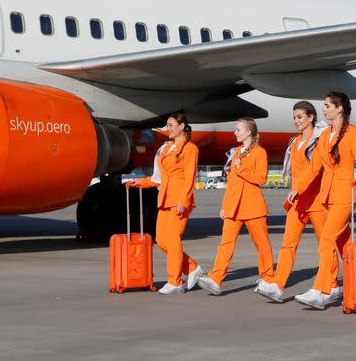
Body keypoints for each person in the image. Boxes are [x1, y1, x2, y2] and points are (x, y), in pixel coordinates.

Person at [291, 91, 356, 310]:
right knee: (344, 245)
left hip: (345, 195)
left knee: (325, 240)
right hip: (326, 196)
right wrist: (297, 188)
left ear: (339, 108)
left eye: (327, 105)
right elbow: (314, 167)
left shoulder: (353, 133)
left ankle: (321, 290)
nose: (324, 109)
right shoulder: (324, 136)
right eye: (324, 105)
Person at [255, 101, 340, 303]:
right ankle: (278, 285)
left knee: (325, 245)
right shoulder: (295, 142)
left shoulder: (319, 140)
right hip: (298, 202)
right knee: (287, 245)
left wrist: (297, 188)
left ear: (311, 117)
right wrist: (294, 191)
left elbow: (315, 169)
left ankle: (333, 284)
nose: (296, 121)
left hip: (317, 200)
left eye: (300, 117)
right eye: (294, 117)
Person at [197, 117, 275, 295]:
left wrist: (241, 169)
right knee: (225, 244)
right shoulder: (237, 152)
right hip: (234, 206)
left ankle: (268, 278)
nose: (234, 133)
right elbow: (231, 183)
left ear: (248, 132)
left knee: (262, 244)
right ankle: (215, 279)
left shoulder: (259, 152)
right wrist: (224, 205)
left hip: (253, 206)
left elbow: (261, 178)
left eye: (238, 130)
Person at [129, 113, 204, 294]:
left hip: (179, 199)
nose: (167, 129)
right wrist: (141, 182)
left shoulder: (190, 149)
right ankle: (193, 268)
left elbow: (189, 178)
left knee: (173, 239)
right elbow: (158, 177)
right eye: (167, 125)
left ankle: (175, 282)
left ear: (181, 126)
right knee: (162, 241)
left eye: (171, 125)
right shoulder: (166, 148)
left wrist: (184, 200)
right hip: (164, 198)